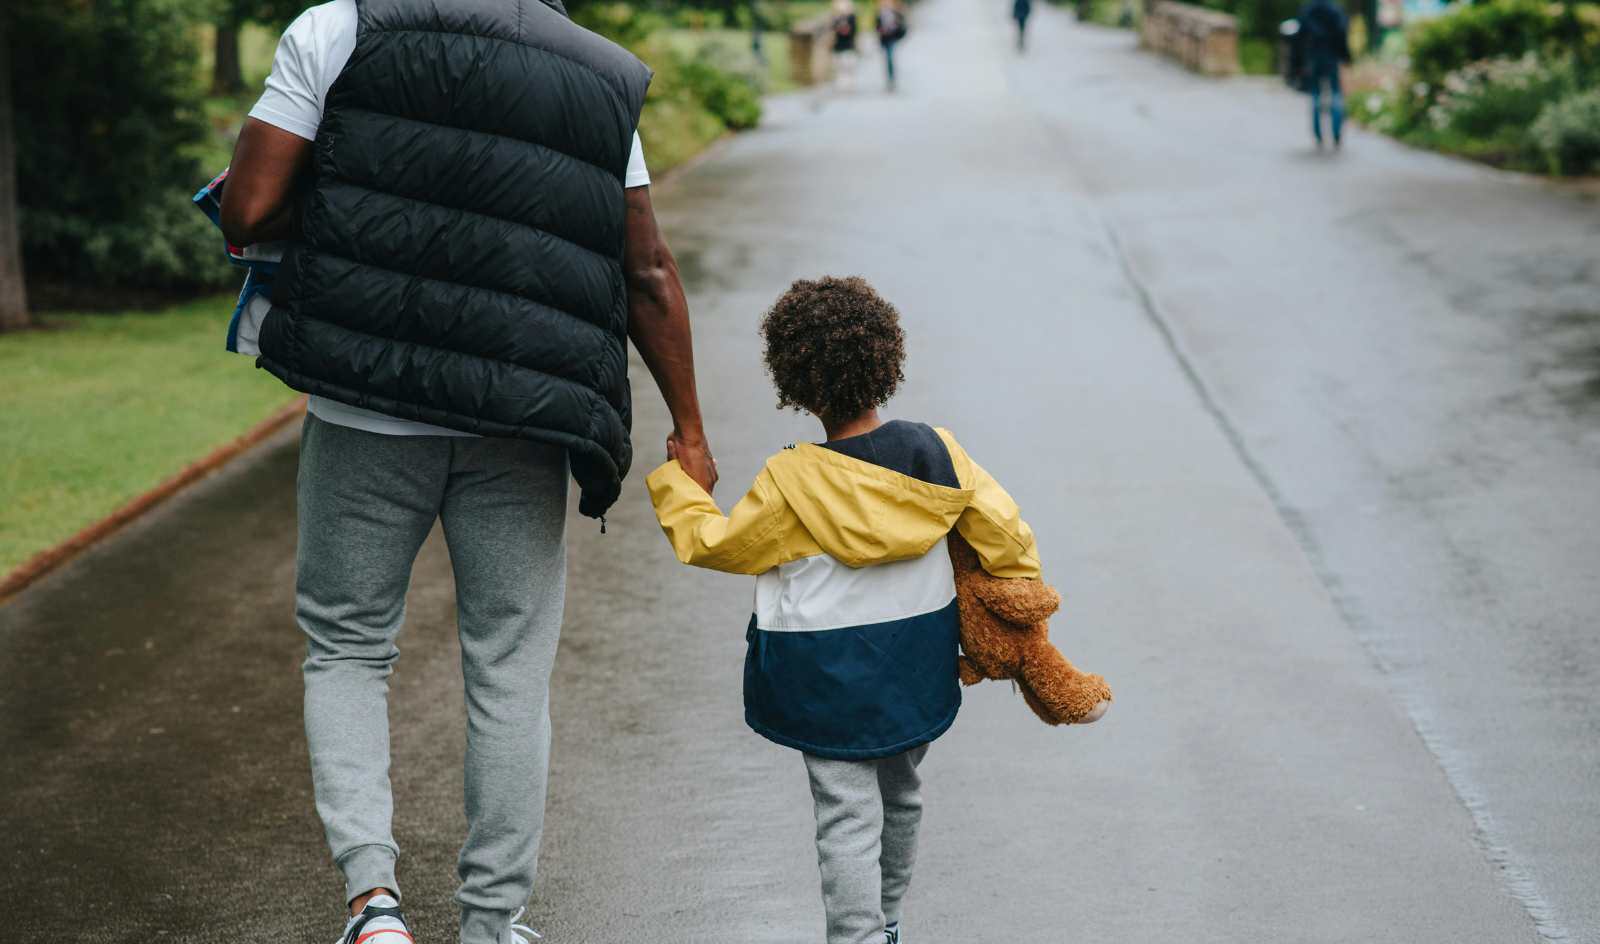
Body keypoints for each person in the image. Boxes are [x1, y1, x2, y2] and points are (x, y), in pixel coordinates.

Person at [217, 1, 718, 943]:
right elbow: (645, 267)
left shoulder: (338, 29)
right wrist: (689, 427)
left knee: (350, 648)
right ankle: (493, 925)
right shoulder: (601, 72)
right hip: (519, 422)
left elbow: (247, 209)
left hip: (365, 406)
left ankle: (375, 911)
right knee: (509, 671)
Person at [645, 277, 1044, 944]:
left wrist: (682, 489)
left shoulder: (791, 481)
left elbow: (718, 546)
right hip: (917, 662)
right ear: (888, 363)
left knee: (845, 818)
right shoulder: (939, 457)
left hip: (824, 676)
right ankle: (888, 921)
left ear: (794, 383)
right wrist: (1013, 600)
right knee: (903, 794)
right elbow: (1007, 536)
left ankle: (856, 936)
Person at [1297, 0, 1352, 147]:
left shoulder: (1308, 9)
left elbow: (1300, 36)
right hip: (1331, 57)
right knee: (1335, 93)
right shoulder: (1335, 9)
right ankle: (1336, 133)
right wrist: (1346, 55)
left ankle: (1318, 135)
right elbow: (1342, 33)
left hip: (1313, 57)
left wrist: (1299, 62)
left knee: (1315, 94)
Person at [875, 0, 908, 91]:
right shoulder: (879, 14)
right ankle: (889, 77)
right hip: (884, 39)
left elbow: (901, 24)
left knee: (890, 57)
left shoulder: (895, 13)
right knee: (887, 59)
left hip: (892, 39)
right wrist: (881, 30)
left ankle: (891, 78)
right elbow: (876, 27)